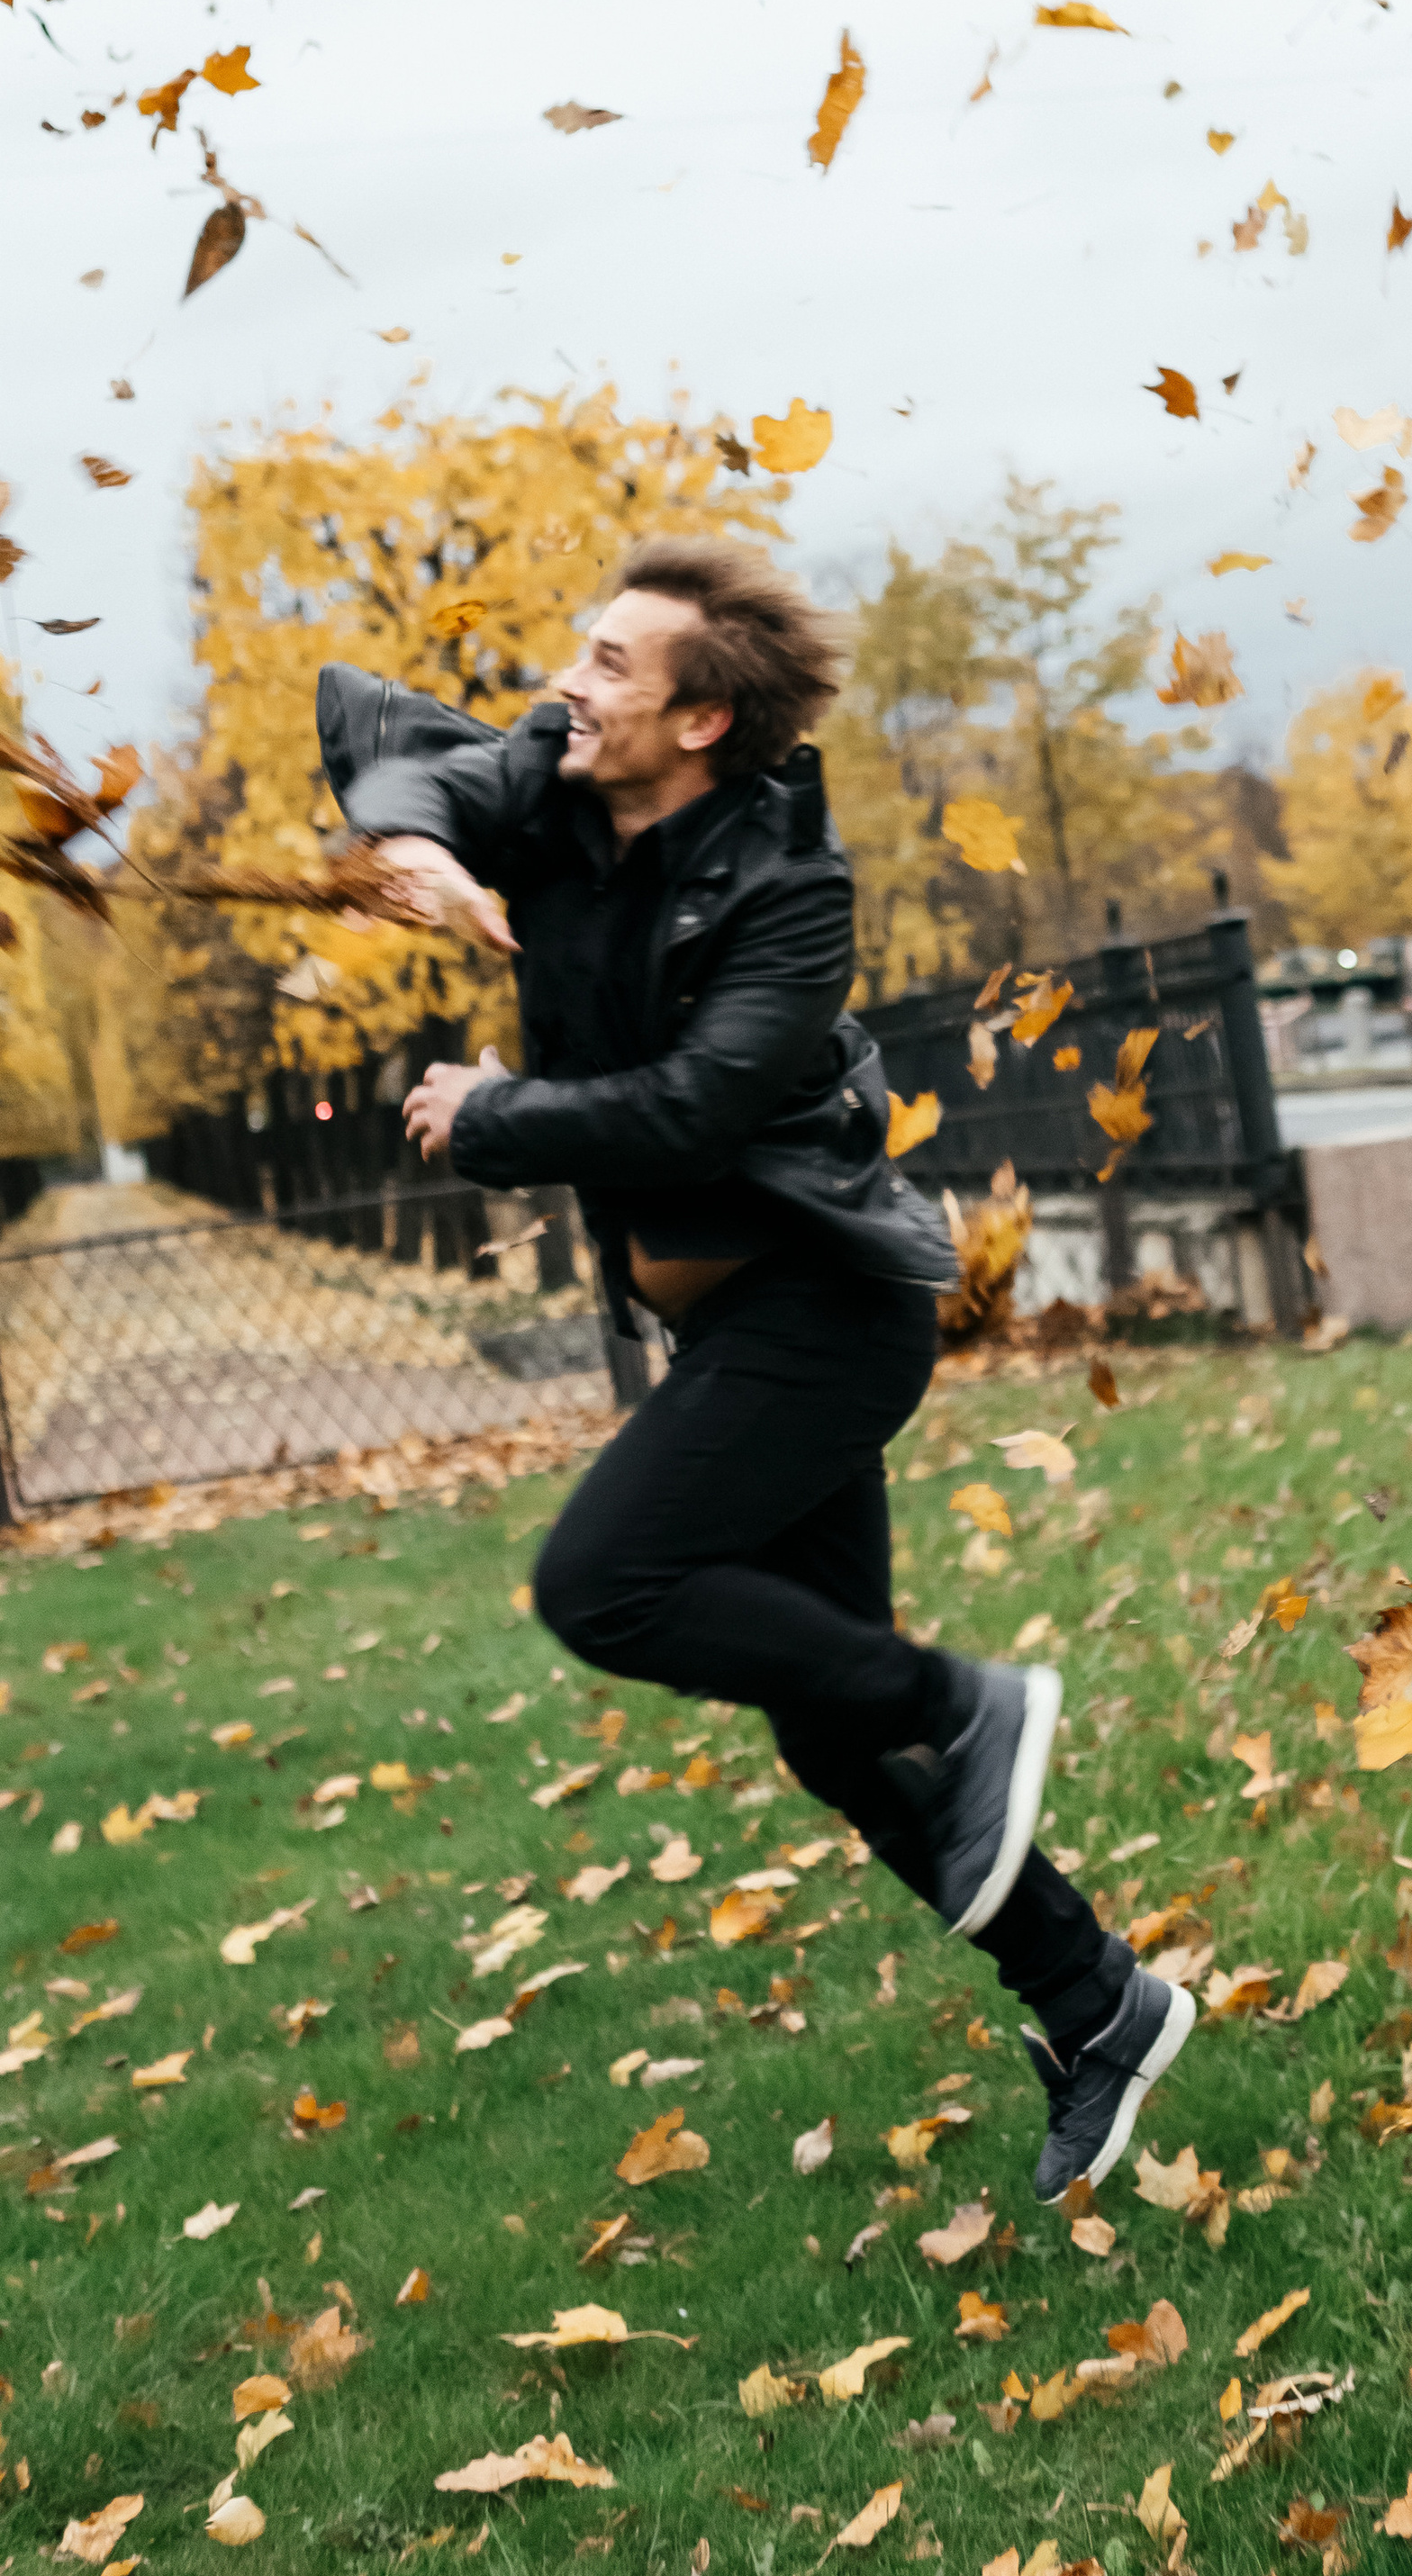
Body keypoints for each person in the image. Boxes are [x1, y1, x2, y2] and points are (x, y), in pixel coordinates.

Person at [318, 536, 1193, 2198]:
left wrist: (490, 1115)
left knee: (605, 1585)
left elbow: (692, 1110)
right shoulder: (554, 784)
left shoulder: (792, 890)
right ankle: (1100, 2006)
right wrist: (431, 857)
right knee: (824, 1730)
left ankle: (975, 1703)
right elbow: (372, 726)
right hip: (724, 1327)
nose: (571, 683)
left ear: (702, 722)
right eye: (579, 656)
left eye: (611, 666)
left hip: (823, 1316)